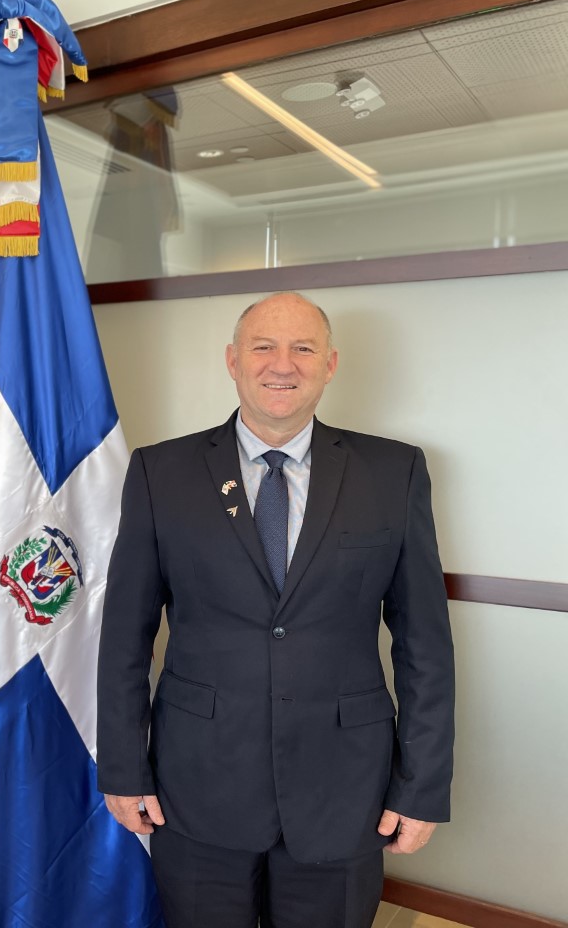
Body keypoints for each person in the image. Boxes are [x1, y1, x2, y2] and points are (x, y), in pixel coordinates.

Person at [97, 292, 454, 928]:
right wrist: (123, 768)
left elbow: (423, 642)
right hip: (197, 784)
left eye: (303, 347)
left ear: (331, 363)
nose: (281, 363)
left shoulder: (393, 471)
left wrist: (422, 785)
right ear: (233, 361)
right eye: (263, 346)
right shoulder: (161, 471)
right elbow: (125, 635)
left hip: (344, 790)